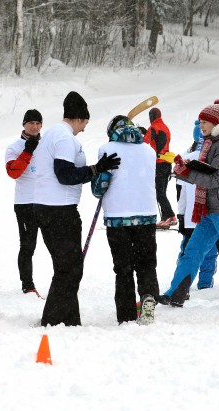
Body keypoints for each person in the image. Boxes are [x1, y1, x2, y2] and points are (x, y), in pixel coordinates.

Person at [32, 91, 120, 326]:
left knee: (68, 266)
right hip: (58, 210)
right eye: (85, 123)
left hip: (49, 207)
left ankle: (67, 318)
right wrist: (95, 169)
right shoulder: (63, 138)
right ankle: (55, 319)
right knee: (69, 267)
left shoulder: (53, 134)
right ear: (78, 118)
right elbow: (64, 175)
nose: (84, 129)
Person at [159, 100, 219, 310]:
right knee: (192, 251)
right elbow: (207, 173)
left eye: (205, 122)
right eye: (200, 122)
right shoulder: (210, 144)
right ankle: (175, 294)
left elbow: (215, 180)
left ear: (217, 124)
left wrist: (188, 174)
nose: (201, 126)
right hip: (210, 210)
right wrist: (187, 168)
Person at [93, 115, 158, 325]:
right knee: (146, 262)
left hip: (117, 216)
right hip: (146, 213)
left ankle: (126, 313)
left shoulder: (107, 148)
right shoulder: (149, 150)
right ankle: (148, 295)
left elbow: (99, 187)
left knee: (123, 267)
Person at [177, 123, 219, 299]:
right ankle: (213, 284)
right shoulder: (214, 155)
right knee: (218, 251)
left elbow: (182, 193)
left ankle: (182, 287)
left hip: (191, 216)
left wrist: (181, 214)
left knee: (188, 252)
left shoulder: (187, 157)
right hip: (213, 211)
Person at [4, 109, 43, 297]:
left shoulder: (47, 145)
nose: (34, 127)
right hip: (25, 203)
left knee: (57, 244)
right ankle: (28, 285)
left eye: (38, 123)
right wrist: (28, 150)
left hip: (47, 202)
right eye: (31, 123)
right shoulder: (14, 147)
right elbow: (14, 172)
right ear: (24, 125)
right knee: (28, 245)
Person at [144, 107, 177, 228]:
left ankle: (170, 216)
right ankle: (166, 217)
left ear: (151, 117)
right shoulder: (166, 127)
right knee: (162, 192)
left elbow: (144, 141)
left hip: (158, 163)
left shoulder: (153, 128)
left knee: (159, 193)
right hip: (167, 163)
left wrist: (140, 132)